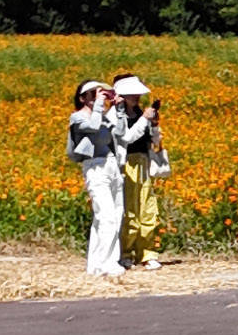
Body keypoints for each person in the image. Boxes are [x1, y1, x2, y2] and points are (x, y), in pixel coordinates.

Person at [111, 74, 171, 269]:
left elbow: (154, 141)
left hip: (143, 162)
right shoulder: (115, 116)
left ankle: (147, 253)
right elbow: (127, 137)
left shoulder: (139, 113)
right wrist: (144, 119)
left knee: (147, 208)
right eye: (131, 94)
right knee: (129, 210)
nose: (136, 97)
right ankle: (125, 252)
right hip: (125, 164)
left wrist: (154, 124)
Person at [68, 79, 125, 276]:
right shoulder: (77, 117)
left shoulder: (102, 116)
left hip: (111, 164)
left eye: (99, 93)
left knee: (115, 214)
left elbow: (120, 133)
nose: (97, 97)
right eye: (92, 94)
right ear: (82, 98)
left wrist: (118, 109)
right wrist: (100, 104)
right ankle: (105, 265)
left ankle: (99, 263)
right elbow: (92, 127)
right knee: (106, 215)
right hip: (95, 167)